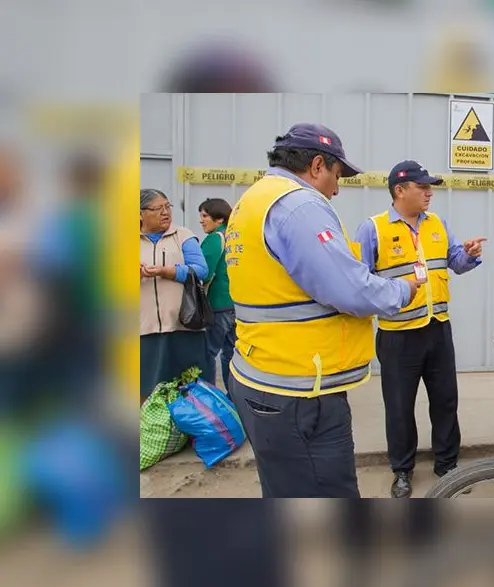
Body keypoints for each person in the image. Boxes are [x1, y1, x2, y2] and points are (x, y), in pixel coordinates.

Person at [224, 123, 420, 498]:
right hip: (299, 391)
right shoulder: (299, 205)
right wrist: (401, 290)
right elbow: (349, 289)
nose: (338, 188)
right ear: (317, 165)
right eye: (337, 174)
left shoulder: (252, 201)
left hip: (261, 375)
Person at [355, 159, 486, 498]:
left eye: (431, 186)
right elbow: (359, 279)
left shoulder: (438, 224)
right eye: (422, 186)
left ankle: (447, 465)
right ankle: (402, 470)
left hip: (437, 328)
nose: (429, 192)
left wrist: (469, 254)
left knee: (445, 401)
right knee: (399, 406)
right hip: (398, 335)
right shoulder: (373, 229)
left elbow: (455, 261)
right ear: (400, 190)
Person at [139, 188, 212, 402]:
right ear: (140, 213)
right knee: (146, 389)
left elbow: (200, 269)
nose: (165, 213)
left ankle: (186, 433)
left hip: (183, 326)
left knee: (188, 389)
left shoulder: (182, 236)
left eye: (167, 207)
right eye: (157, 208)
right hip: (144, 329)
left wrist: (168, 271)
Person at [197, 198, 235, 393]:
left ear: (219, 218)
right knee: (232, 355)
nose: (201, 221)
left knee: (207, 353)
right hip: (236, 305)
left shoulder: (215, 238)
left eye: (205, 216)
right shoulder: (235, 236)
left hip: (217, 305)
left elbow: (203, 271)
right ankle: (233, 398)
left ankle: (208, 396)